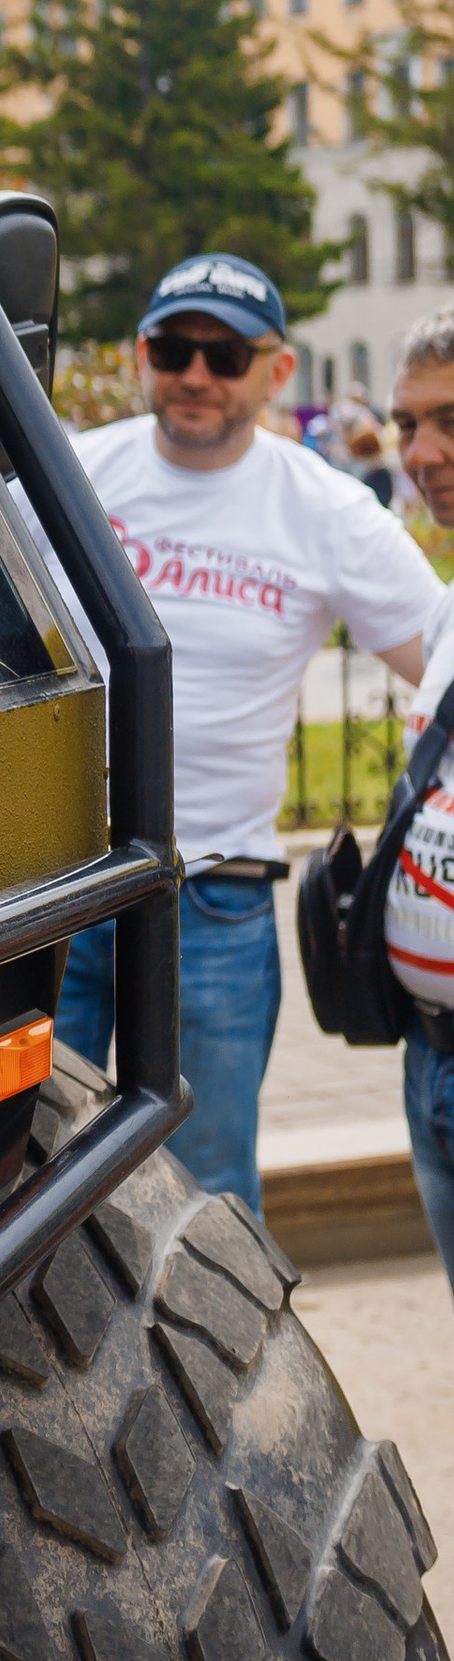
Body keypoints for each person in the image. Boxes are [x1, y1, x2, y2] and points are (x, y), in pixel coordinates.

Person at [49, 252, 442, 1208]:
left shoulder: (327, 513)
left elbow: (442, 660)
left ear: (275, 372)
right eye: (175, 346)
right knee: (18, 1167)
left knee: (209, 1187)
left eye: (225, 355)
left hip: (214, 901)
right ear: (144, 353)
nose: (195, 373)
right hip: (53, 892)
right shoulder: (62, 474)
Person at [376, 312, 454, 1294]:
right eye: (405, 424)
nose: (420, 452)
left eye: (447, 418)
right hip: (429, 1058)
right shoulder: (444, 609)